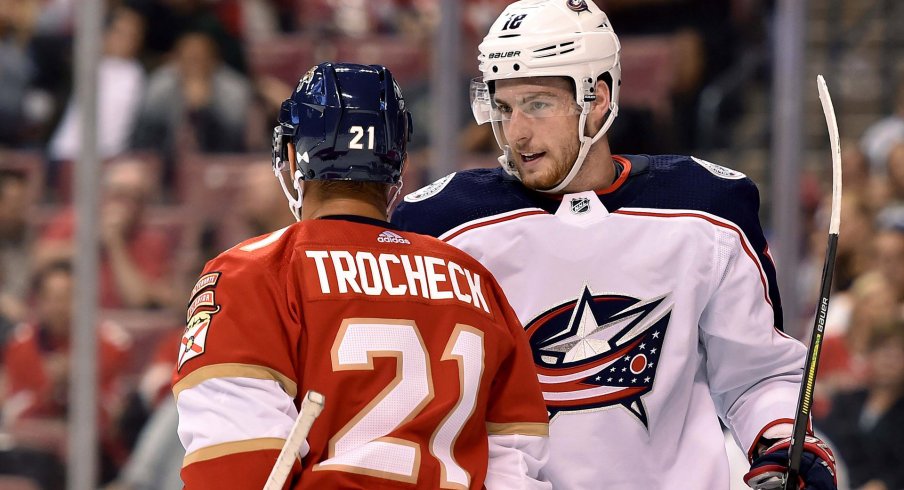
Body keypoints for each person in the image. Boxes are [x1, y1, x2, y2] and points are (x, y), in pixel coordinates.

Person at [391, 1, 837, 489]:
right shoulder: (442, 225)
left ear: (598, 98)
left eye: (537, 104)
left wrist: (780, 442)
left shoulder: (706, 210)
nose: (516, 131)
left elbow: (757, 374)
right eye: (503, 107)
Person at [172, 62, 550, 489]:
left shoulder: (253, 272)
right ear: (398, 161)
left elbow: (235, 466)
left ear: (294, 156)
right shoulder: (473, 279)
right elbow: (516, 461)